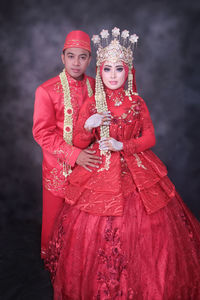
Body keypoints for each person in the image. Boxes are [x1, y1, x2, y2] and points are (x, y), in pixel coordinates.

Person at [45, 28, 200, 299]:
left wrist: (123, 146)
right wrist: (86, 126)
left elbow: (150, 137)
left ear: (128, 71)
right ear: (100, 71)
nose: (113, 75)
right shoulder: (92, 103)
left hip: (138, 167)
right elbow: (81, 143)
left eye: (119, 69)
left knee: (147, 225)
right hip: (100, 171)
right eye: (107, 69)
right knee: (94, 229)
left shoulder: (137, 102)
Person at [32, 30, 102, 259]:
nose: (76, 62)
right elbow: (42, 133)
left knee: (85, 217)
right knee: (56, 217)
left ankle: (79, 262)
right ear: (62, 57)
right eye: (71, 56)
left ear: (90, 60)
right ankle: (53, 258)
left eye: (82, 57)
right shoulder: (46, 90)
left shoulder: (96, 86)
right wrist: (74, 155)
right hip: (58, 165)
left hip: (90, 163)